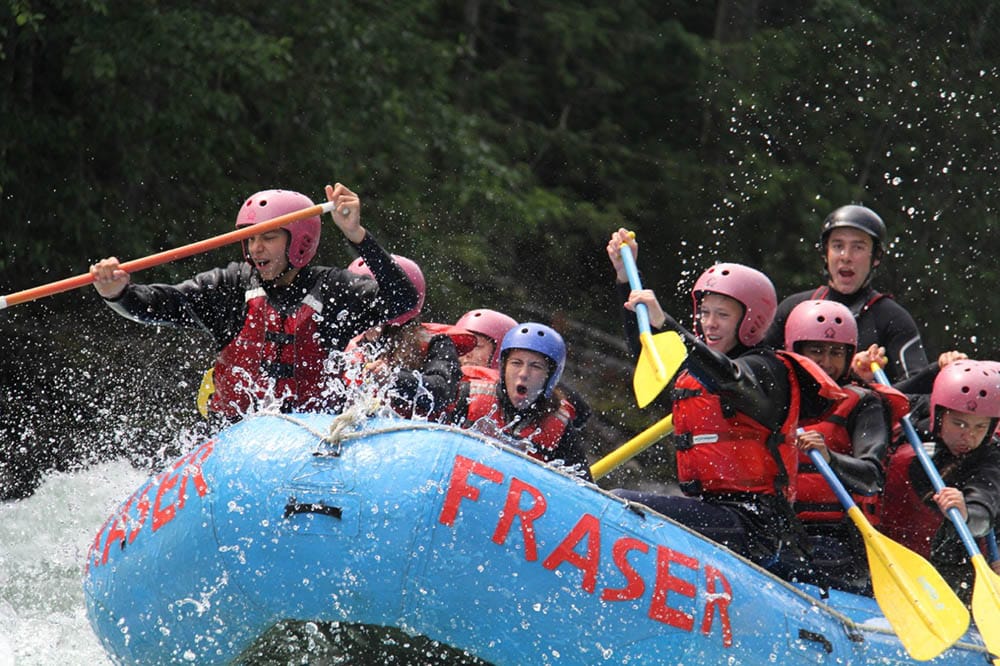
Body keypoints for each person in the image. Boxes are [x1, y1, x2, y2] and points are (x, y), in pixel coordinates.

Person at [606, 231, 846, 571]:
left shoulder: (768, 371)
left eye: (722, 315)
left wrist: (668, 324)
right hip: (717, 514)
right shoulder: (696, 370)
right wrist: (624, 278)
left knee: (619, 505)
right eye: (705, 312)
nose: (709, 324)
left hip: (757, 525)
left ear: (751, 320)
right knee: (611, 501)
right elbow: (649, 352)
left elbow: (729, 378)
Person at [90, 184, 419, 421]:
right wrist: (117, 292)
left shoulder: (333, 289)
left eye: (269, 237)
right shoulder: (229, 287)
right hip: (236, 438)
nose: (256, 248)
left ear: (300, 241)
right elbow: (162, 304)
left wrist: (356, 234)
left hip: (313, 439)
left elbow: (402, 300)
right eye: (250, 237)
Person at [784, 300, 908, 592]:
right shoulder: (777, 398)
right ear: (796, 351)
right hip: (779, 526)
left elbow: (871, 477)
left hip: (837, 539)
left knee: (788, 560)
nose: (826, 362)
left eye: (836, 352)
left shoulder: (863, 404)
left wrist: (829, 457)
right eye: (816, 351)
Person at [762, 204, 928, 382]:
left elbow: (920, 391)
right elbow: (760, 371)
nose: (846, 256)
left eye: (858, 247)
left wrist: (867, 384)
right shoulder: (793, 308)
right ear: (825, 253)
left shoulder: (893, 319)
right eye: (837, 245)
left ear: (876, 257)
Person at [879, 360, 1000, 602]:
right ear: (939, 414)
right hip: (891, 553)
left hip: (956, 567)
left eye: (980, 427)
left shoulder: (988, 460)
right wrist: (935, 370)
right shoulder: (915, 420)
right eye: (960, 424)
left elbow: (982, 511)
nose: (969, 435)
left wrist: (967, 513)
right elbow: (880, 398)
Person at [451, 322, 592, 480]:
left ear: (550, 377)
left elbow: (583, 489)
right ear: (503, 368)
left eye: (536, 366)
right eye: (516, 363)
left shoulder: (561, 428)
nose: (524, 374)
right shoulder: (468, 395)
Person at [343, 255, 473, 419]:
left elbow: (442, 392)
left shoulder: (437, 344)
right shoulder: (346, 342)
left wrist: (392, 378)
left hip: (414, 435)